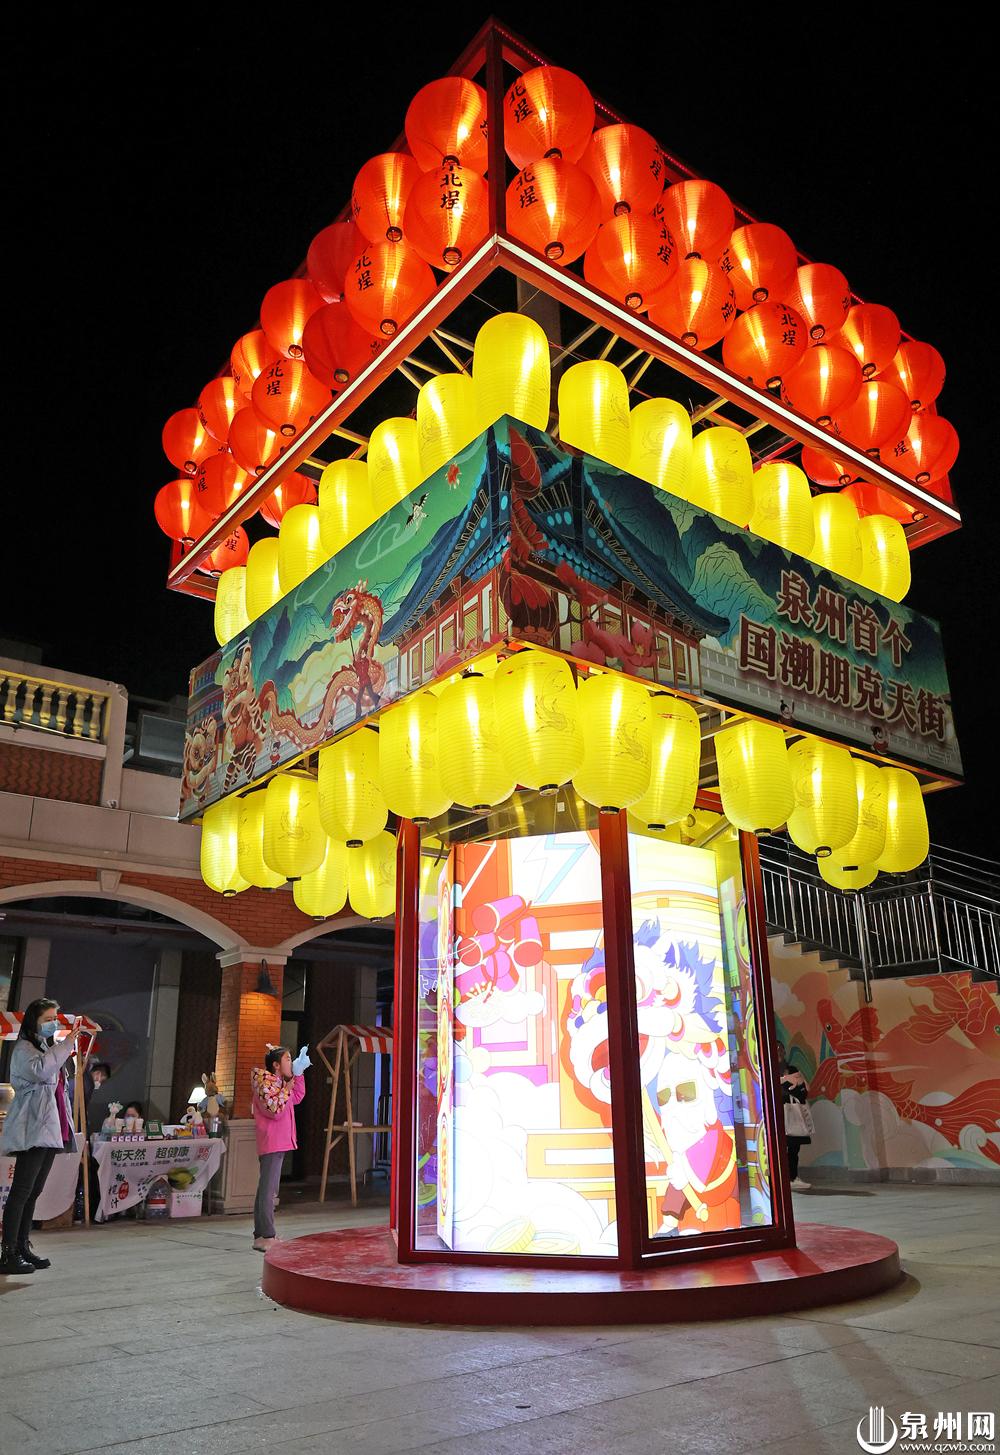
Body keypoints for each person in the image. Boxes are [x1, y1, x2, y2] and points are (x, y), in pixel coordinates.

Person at [1, 999, 82, 1275]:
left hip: (49, 1128)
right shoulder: (24, 1049)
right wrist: (65, 1045)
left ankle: (22, 1246)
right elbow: (40, 1071)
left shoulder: (46, 1047)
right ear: (33, 1021)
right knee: (22, 1191)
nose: (54, 1023)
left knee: (33, 1191)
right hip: (33, 1128)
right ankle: (8, 1251)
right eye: (48, 1019)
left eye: (55, 1018)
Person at [250, 1043, 310, 1252]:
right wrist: (287, 1087)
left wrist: (298, 1075)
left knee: (267, 1189)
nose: (291, 1062)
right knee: (268, 1191)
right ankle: (266, 1235)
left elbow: (297, 1098)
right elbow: (274, 1110)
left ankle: (261, 1234)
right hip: (272, 1141)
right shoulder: (265, 1082)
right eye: (288, 1059)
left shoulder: (279, 1083)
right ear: (276, 1065)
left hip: (280, 1141)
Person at [777, 1040, 812, 1191]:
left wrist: (797, 1083)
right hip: (777, 1113)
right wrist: (786, 1080)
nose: (778, 1052)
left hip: (793, 1111)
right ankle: (779, 1178)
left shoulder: (792, 1069)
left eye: (780, 1049)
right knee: (779, 1147)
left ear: (784, 1052)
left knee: (793, 1146)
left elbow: (806, 1087)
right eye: (775, 1049)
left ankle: (792, 1177)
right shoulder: (768, 1070)